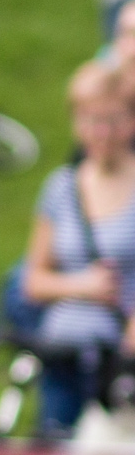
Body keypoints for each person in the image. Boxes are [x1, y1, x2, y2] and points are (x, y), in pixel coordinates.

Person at [23, 61, 135, 435]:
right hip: (62, 352)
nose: (101, 133)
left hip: (119, 360)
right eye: (91, 121)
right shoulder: (61, 187)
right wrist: (82, 286)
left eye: (112, 120)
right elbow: (34, 280)